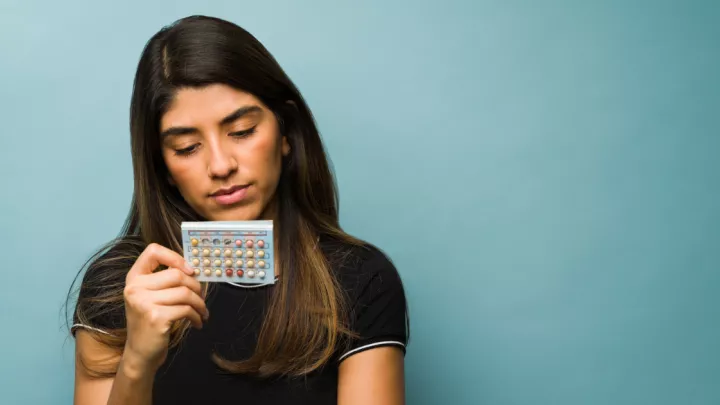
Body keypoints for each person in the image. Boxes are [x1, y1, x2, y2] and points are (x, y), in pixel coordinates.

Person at [67, 15, 409, 405]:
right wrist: (137, 363)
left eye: (242, 131)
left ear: (285, 133)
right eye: (186, 147)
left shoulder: (360, 279)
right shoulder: (118, 287)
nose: (220, 165)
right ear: (163, 167)